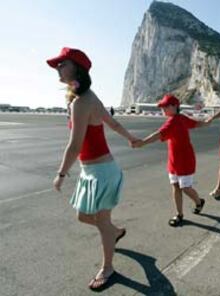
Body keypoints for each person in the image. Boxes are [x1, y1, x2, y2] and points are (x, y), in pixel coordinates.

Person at [47, 47, 137, 290]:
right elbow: (114, 123)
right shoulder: (88, 97)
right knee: (83, 216)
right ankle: (114, 232)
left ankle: (108, 268)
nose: (58, 68)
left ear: (76, 68)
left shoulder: (82, 102)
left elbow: (75, 145)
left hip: (102, 173)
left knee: (100, 220)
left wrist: (61, 175)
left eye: (62, 64)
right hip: (93, 171)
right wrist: (130, 138)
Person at [132, 94, 207, 227]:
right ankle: (179, 214)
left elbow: (158, 134)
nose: (162, 109)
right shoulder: (180, 118)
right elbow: (195, 123)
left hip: (185, 160)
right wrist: (206, 122)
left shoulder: (174, 121)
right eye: (162, 107)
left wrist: (142, 143)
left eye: (165, 106)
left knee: (185, 187)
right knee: (176, 186)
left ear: (174, 106)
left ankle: (199, 201)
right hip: (174, 160)